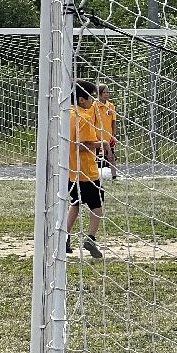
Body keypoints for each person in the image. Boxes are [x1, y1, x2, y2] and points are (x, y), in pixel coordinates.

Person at [66, 79, 106, 259]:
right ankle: (91, 237)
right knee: (97, 206)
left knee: (75, 203)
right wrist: (101, 143)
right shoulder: (84, 117)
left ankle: (64, 238)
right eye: (91, 98)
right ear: (82, 99)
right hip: (87, 171)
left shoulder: (67, 114)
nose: (93, 101)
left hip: (71, 171)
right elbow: (83, 145)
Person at [95, 84, 119, 177]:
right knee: (94, 157)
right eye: (104, 92)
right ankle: (94, 176)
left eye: (107, 92)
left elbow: (113, 121)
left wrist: (114, 135)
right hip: (96, 136)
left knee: (111, 156)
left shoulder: (111, 106)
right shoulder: (94, 106)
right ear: (99, 94)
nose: (106, 94)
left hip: (108, 136)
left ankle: (114, 176)